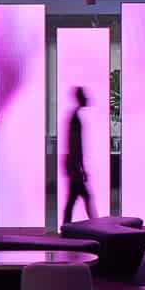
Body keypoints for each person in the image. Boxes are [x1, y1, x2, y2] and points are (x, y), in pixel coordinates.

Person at [60, 85, 95, 227]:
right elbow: (75, 146)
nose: (87, 98)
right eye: (84, 95)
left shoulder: (74, 117)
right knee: (83, 197)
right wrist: (79, 169)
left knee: (74, 198)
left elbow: (75, 146)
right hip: (73, 165)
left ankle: (66, 226)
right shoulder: (75, 119)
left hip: (72, 165)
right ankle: (95, 227)